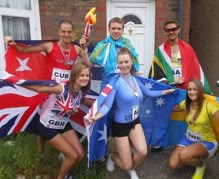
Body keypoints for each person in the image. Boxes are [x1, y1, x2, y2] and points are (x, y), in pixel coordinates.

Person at [86, 48, 175, 179]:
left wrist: (166, 92)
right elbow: (107, 105)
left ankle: (131, 168)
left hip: (134, 122)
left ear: (131, 61)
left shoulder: (136, 80)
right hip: (120, 126)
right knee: (126, 165)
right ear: (117, 63)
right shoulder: (115, 82)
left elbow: (149, 93)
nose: (124, 65)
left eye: (126, 62)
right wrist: (97, 116)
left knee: (143, 152)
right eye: (120, 62)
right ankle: (113, 157)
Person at [4, 20, 89, 155]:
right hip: (48, 90)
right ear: (59, 32)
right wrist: (14, 43)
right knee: (43, 119)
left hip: (65, 92)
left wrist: (84, 52)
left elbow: (88, 66)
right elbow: (25, 50)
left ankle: (62, 147)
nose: (66, 34)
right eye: (63, 31)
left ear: (73, 33)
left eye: (69, 32)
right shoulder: (50, 46)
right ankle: (41, 152)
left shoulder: (77, 49)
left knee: (62, 116)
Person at [1, 62, 90, 179]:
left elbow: (77, 103)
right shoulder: (61, 88)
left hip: (63, 123)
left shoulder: (80, 92)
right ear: (74, 76)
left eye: (87, 76)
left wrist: (105, 104)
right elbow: (38, 88)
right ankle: (61, 177)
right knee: (73, 155)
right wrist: (10, 79)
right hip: (47, 125)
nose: (85, 78)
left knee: (81, 154)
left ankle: (67, 172)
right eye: (81, 75)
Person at [148, 19, 212, 152]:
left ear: (178, 30)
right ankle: (162, 142)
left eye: (173, 29)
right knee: (166, 114)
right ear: (165, 32)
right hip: (169, 89)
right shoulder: (160, 51)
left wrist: (200, 89)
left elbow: (195, 68)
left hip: (186, 90)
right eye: (168, 30)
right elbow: (156, 72)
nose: (171, 32)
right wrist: (171, 81)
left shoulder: (188, 48)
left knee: (186, 116)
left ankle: (185, 142)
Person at [169, 79, 219, 179]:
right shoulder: (186, 103)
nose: (192, 92)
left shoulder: (209, 106)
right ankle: (190, 156)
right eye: (189, 89)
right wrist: (162, 96)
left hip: (206, 142)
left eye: (195, 89)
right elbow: (173, 108)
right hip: (188, 139)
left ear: (200, 91)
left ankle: (200, 165)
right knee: (173, 165)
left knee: (184, 155)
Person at [86, 17, 139, 92]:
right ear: (109, 29)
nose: (116, 31)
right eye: (113, 28)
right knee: (105, 104)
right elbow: (88, 65)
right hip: (108, 82)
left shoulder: (128, 46)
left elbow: (134, 67)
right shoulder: (102, 46)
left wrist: (141, 81)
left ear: (123, 30)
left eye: (119, 29)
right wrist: (83, 51)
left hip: (125, 82)